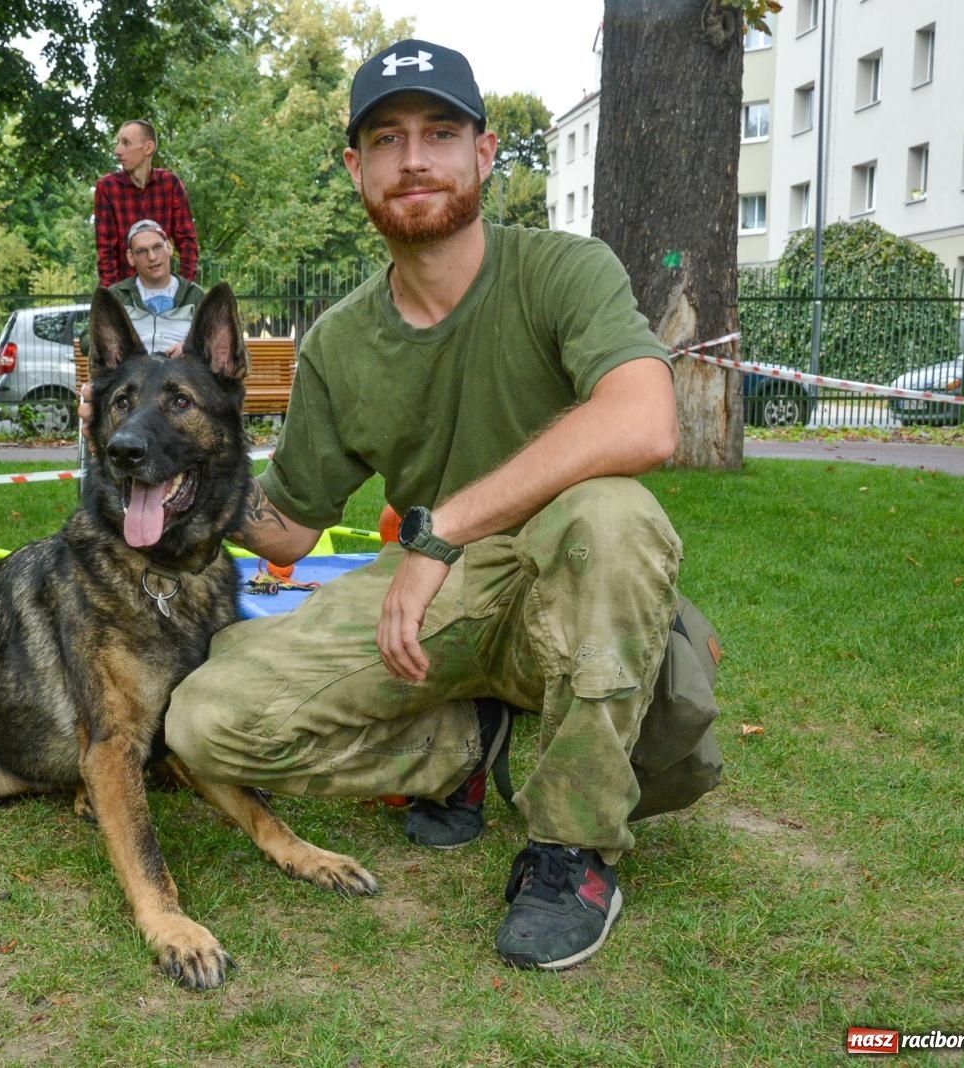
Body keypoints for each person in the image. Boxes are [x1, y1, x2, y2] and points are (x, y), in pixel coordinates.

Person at [150, 40, 707, 972]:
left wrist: (440, 531)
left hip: (562, 588)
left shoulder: (564, 270)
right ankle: (466, 750)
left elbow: (646, 420)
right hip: (437, 613)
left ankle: (574, 849)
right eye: (388, 138)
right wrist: (183, 477)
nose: (415, 159)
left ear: (485, 154)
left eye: (440, 133)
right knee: (203, 723)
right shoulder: (339, 343)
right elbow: (285, 527)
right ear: (356, 168)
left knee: (614, 513)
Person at [93, 120, 200, 288]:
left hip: (164, 289)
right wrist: (115, 297)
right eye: (118, 143)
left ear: (148, 148)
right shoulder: (107, 187)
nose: (117, 150)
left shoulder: (170, 184)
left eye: (126, 143)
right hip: (123, 291)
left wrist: (184, 288)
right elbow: (106, 250)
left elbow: (187, 242)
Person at [105, 219, 207, 356]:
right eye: (141, 251)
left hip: (182, 372)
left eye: (158, 247)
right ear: (131, 257)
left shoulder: (194, 295)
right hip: (132, 373)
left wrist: (187, 349)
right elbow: (87, 340)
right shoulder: (116, 296)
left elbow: (212, 340)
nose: (152, 257)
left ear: (169, 247)